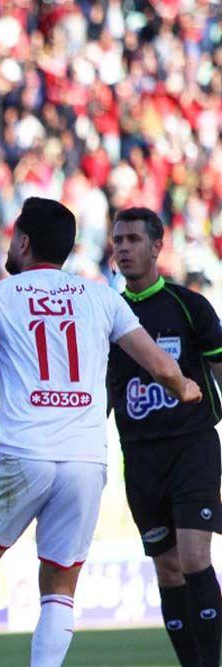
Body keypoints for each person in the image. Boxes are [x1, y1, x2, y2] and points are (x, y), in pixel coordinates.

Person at [0, 197, 204, 667]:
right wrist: (185, 387)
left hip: (23, 450)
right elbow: (161, 366)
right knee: (59, 587)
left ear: (23, 242)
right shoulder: (101, 297)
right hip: (84, 460)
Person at [108, 207, 222, 667]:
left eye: (133, 239)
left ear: (156, 247)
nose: (123, 248)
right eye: (118, 240)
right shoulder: (107, 314)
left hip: (192, 446)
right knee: (168, 570)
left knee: (194, 558)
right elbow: (101, 390)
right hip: (140, 458)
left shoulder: (188, 306)